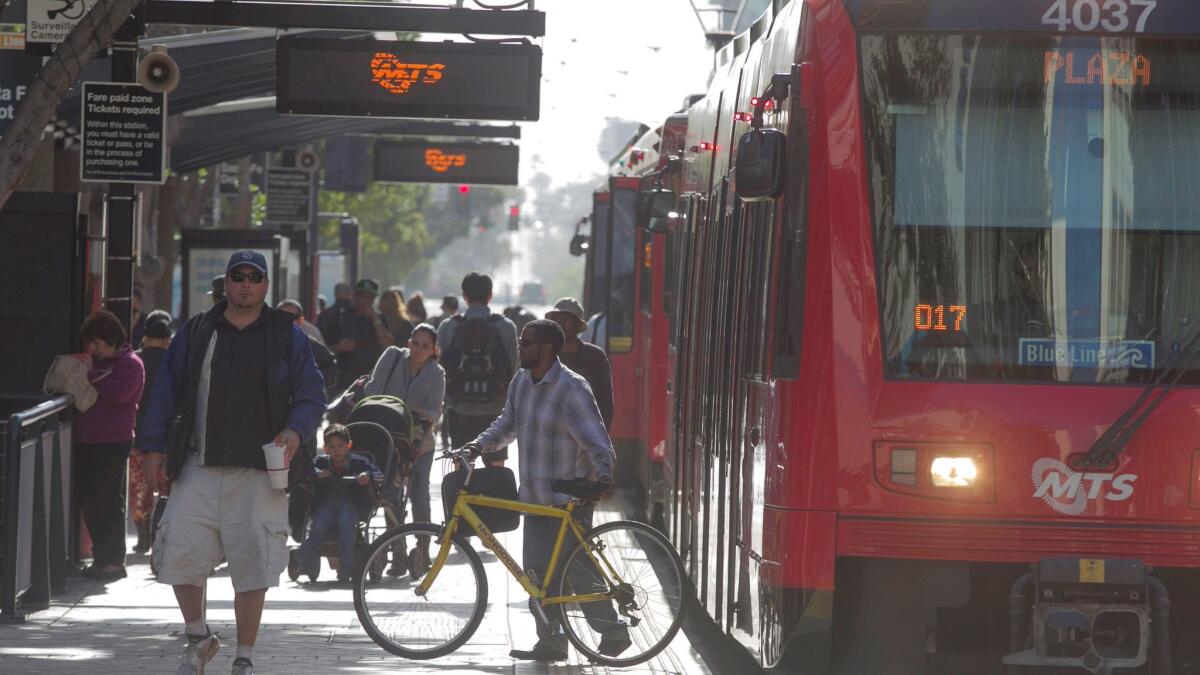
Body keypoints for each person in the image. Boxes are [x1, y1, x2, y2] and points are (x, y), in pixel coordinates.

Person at [139, 250, 326, 675]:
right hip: (197, 466)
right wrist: (152, 446)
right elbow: (165, 390)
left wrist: (296, 430)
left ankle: (244, 657)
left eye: (253, 277)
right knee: (177, 557)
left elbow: (311, 393)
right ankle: (199, 637)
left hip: (260, 473)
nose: (245, 284)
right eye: (237, 276)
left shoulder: (286, 335)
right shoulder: (197, 330)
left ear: (265, 285)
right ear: (225, 283)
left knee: (253, 566)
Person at [462, 320, 623, 662]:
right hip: (534, 500)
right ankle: (551, 641)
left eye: (526, 342)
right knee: (535, 576)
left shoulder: (571, 390)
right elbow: (507, 423)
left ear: (547, 348)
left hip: (568, 501)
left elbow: (598, 442)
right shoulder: (522, 381)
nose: (520, 346)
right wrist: (478, 446)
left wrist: (604, 477)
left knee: (577, 569)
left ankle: (613, 631)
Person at [363, 323, 445, 575]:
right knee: (392, 494)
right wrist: (394, 408)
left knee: (419, 494)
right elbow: (372, 388)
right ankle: (396, 551)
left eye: (425, 346)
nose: (418, 349)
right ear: (409, 342)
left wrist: (417, 416)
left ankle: (422, 549)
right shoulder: (392, 357)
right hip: (388, 437)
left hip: (420, 441)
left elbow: (434, 410)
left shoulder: (436, 373)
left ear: (433, 350)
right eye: (415, 343)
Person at [74, 310, 145, 581]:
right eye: (91, 343)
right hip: (86, 439)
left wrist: (90, 375)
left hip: (113, 441)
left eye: (98, 343)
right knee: (89, 500)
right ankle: (101, 559)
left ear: (112, 340)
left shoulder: (131, 364)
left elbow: (119, 393)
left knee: (108, 500)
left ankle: (113, 562)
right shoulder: (95, 362)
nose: (94, 348)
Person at [437, 272, 517, 467]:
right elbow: (514, 368)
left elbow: (441, 368)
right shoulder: (505, 326)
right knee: (496, 470)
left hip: (459, 409)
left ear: (464, 295)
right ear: (490, 295)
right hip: (495, 412)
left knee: (461, 468)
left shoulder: (448, 327)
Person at [297, 424, 382, 583]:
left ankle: (346, 567)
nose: (336, 450)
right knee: (318, 526)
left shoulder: (360, 461)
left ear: (348, 446)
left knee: (346, 525)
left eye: (340, 446)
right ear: (326, 448)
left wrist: (366, 475)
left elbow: (378, 474)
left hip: (351, 504)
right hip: (326, 504)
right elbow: (307, 472)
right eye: (332, 447)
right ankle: (306, 561)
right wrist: (318, 474)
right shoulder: (321, 462)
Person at [130, 310, 173, 555]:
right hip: (166, 435)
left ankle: (143, 534)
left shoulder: (135, 361)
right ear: (168, 337)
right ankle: (162, 533)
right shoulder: (174, 362)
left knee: (140, 486)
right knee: (166, 485)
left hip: (137, 432)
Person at [546, 298, 614, 428]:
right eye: (557, 318)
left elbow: (605, 404)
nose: (561, 322)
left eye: (567, 318)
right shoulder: (543, 356)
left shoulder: (596, 358)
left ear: (578, 325)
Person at [330, 279, 394, 392]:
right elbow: (326, 351)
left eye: (370, 298)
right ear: (355, 296)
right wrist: (340, 347)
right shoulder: (341, 317)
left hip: (370, 382)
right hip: (343, 382)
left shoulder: (380, 318)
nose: (366, 301)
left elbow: (388, 344)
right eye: (362, 296)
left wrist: (374, 318)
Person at [277, 299, 337, 397]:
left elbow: (330, 367)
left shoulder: (311, 345)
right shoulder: (264, 344)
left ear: (301, 321)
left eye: (293, 317)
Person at [317, 282, 352, 346]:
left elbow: (318, 339)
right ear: (350, 294)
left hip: (328, 353)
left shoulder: (324, 315)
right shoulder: (358, 313)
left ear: (335, 294)